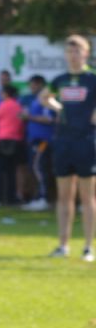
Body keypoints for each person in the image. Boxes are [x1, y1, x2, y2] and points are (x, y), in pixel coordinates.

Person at [39, 34, 96, 261]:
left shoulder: (92, 78)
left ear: (86, 53)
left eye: (77, 51)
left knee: (88, 196)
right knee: (64, 196)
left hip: (86, 141)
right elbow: (45, 97)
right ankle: (63, 245)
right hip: (64, 141)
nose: (73, 55)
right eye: (69, 51)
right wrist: (57, 107)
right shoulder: (60, 79)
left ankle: (88, 247)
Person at [0, 83, 26, 207]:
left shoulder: (4, 105)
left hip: (3, 140)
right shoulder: (18, 106)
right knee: (11, 172)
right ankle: (11, 198)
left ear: (6, 94)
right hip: (16, 141)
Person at [21, 74, 55, 211]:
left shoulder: (45, 99)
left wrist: (29, 117)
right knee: (36, 168)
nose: (31, 87)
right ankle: (40, 197)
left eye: (33, 84)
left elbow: (49, 119)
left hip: (43, 139)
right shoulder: (34, 100)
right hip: (34, 139)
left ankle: (44, 198)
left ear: (40, 84)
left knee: (39, 167)